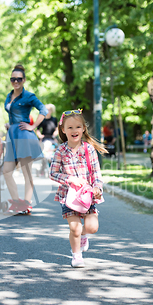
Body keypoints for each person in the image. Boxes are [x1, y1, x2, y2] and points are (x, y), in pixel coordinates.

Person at [50, 109, 107, 268]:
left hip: (88, 195)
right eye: (69, 127)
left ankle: (83, 236)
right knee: (74, 228)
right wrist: (69, 179)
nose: (74, 131)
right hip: (68, 196)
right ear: (63, 130)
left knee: (92, 227)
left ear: (83, 129)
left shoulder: (89, 149)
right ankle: (76, 256)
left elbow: (96, 172)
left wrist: (97, 187)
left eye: (77, 127)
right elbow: (53, 173)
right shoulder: (60, 150)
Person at [3, 64, 48, 215]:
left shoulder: (29, 96)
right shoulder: (9, 96)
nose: (16, 82)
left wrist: (33, 126)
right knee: (6, 171)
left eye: (19, 79)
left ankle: (27, 204)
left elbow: (43, 110)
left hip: (24, 136)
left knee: (26, 172)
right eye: (13, 79)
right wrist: (10, 124)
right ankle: (16, 203)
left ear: (24, 80)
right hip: (12, 135)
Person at [35, 104, 58, 176]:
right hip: (44, 139)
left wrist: (54, 134)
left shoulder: (54, 119)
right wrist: (40, 136)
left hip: (51, 139)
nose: (48, 111)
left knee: (51, 155)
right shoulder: (42, 120)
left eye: (49, 110)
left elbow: (57, 129)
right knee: (44, 156)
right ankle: (43, 169)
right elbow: (37, 130)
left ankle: (50, 169)